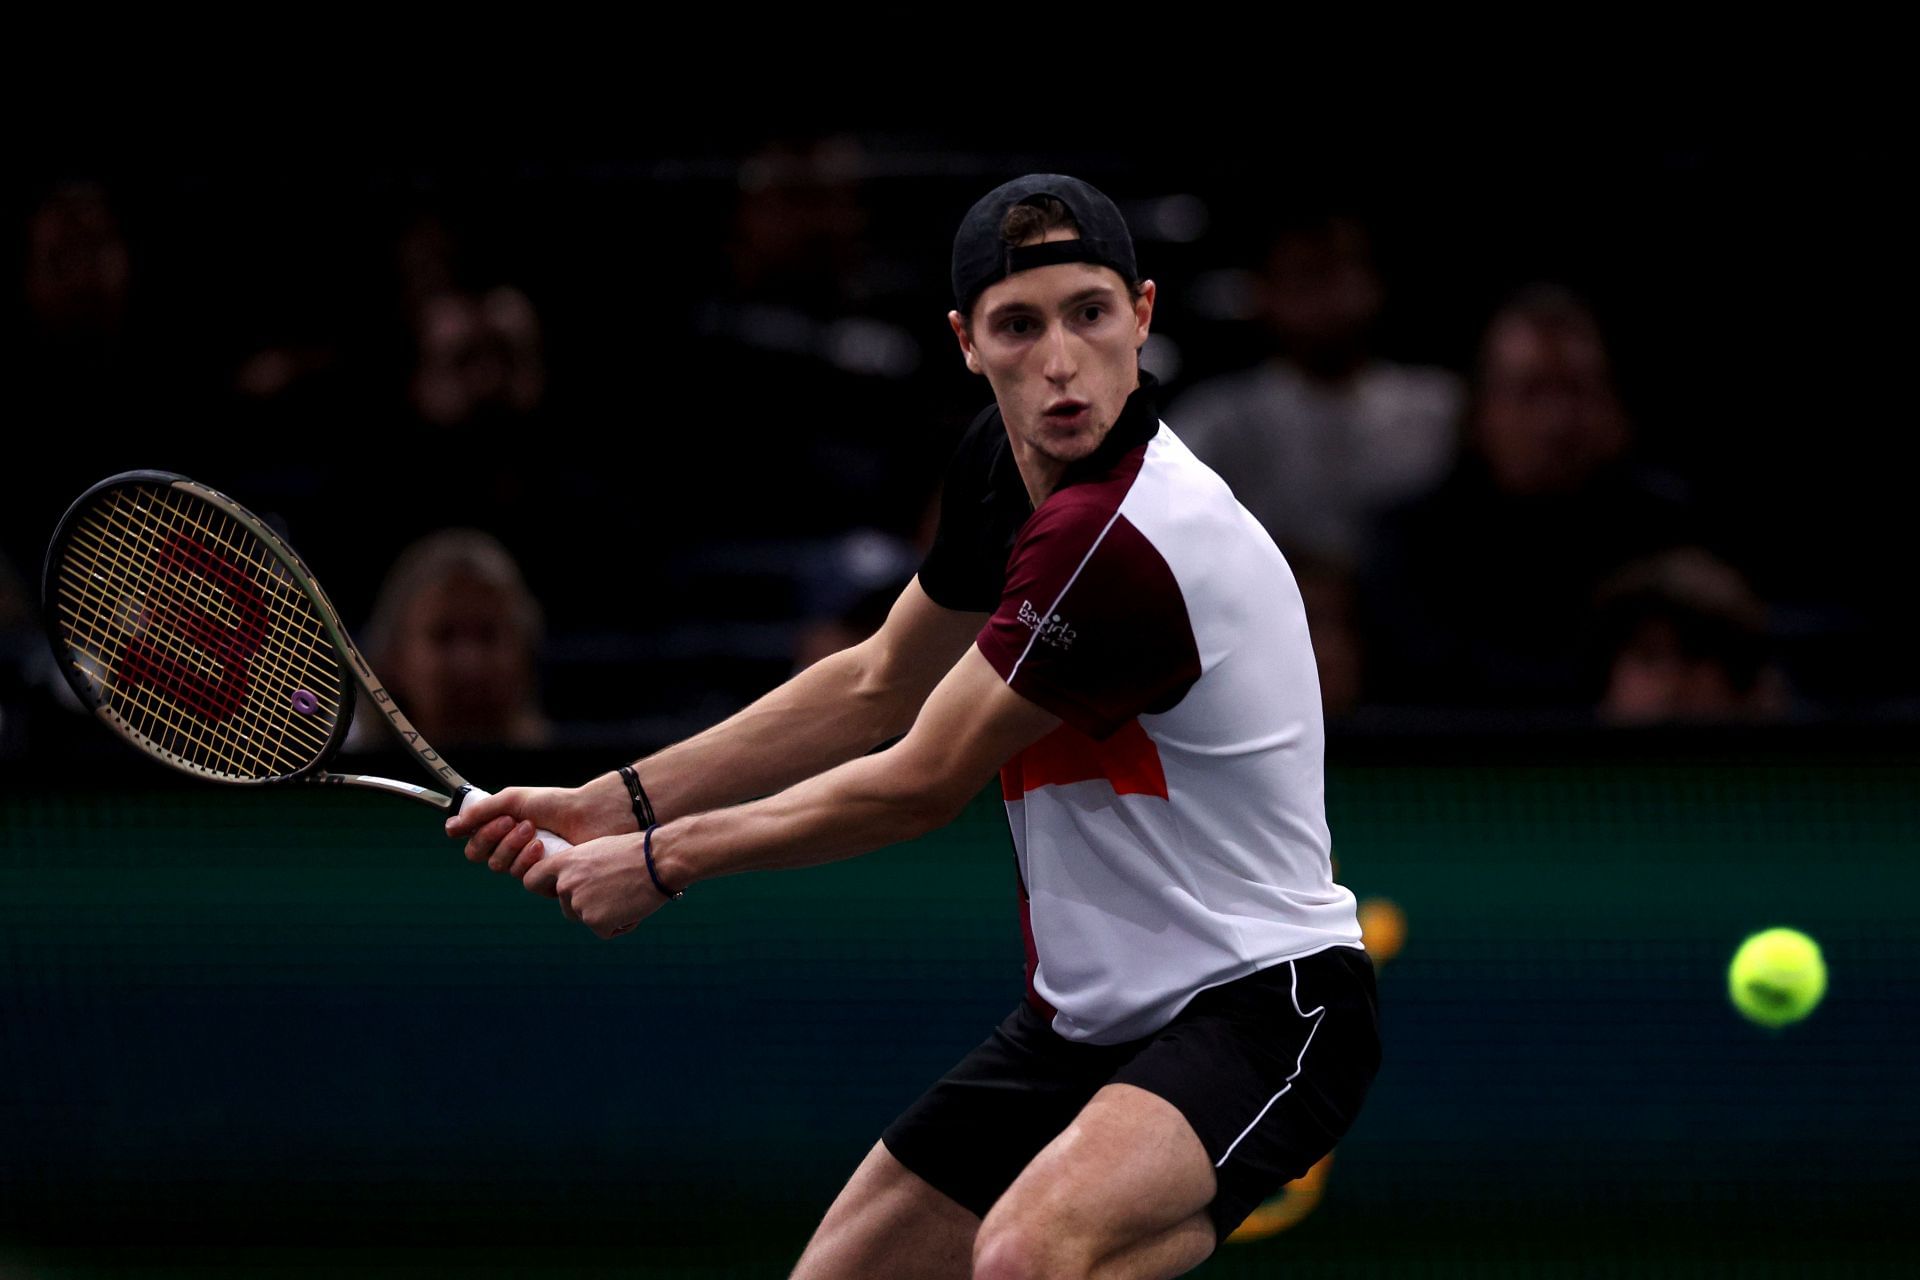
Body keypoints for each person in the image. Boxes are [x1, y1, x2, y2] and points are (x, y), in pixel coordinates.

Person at [447, 174, 1380, 1280]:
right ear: (965, 341)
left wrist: (664, 859)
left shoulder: (1128, 537)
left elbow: (917, 779)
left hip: (1264, 1002)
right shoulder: (1000, 465)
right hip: (1080, 1025)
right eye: (1018, 325)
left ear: (1143, 311)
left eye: (1089, 312)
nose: (1060, 360)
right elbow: (876, 681)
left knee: (1029, 1256)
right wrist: (610, 799)